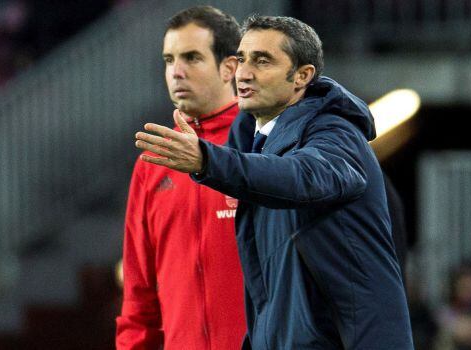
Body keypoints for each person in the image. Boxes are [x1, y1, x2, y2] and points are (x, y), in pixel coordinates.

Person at [135, 15, 413, 349]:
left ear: (301, 76)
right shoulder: (257, 143)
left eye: (262, 61)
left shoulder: (335, 131)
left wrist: (209, 161)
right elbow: (268, 290)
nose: (244, 73)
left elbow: (307, 177)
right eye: (242, 59)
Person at [115, 6, 246, 350]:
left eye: (191, 57)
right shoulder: (153, 163)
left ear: (229, 67)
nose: (177, 72)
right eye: (169, 60)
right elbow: (138, 294)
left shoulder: (261, 147)